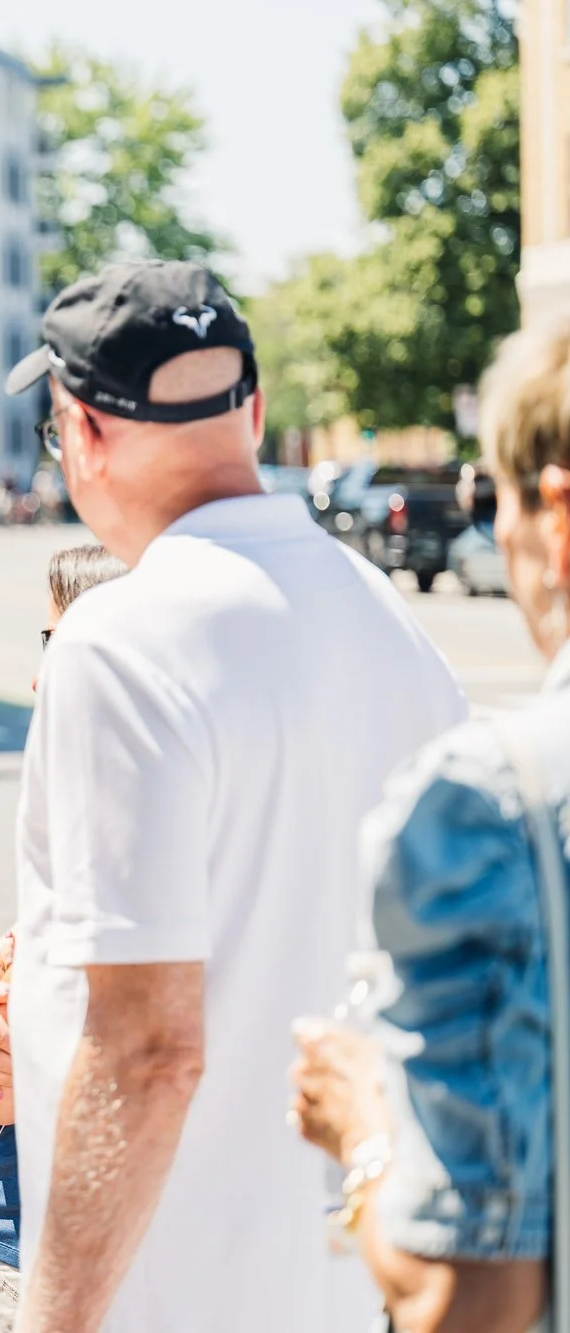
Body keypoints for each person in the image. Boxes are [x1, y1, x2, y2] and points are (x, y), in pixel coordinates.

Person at [1, 260, 466, 1333]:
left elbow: (147, 1048)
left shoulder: (119, 641)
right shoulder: (382, 617)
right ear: (250, 411)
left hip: (175, 1290)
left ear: (80, 430)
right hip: (344, 1286)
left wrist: (53, 1322)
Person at [290, 322, 570, 1333]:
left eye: (489, 498)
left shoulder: (487, 801)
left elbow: (466, 1301)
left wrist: (363, 1133)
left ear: (553, 510)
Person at [0, 542, 127, 1333]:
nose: (41, 678)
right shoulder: (86, 797)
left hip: (77, 1251)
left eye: (59, 646)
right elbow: (26, 947)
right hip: (23, 1218)